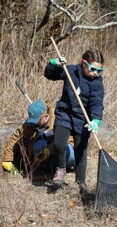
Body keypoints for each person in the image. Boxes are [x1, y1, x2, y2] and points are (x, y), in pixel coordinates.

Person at [44, 49, 105, 187]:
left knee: (80, 150)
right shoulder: (70, 70)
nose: (96, 73)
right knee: (59, 143)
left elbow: (97, 102)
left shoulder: (97, 83)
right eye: (93, 69)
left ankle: (80, 183)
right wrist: (53, 64)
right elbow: (49, 75)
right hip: (65, 113)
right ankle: (60, 169)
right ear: (84, 63)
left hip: (83, 118)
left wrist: (96, 119)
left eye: (99, 71)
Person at [2, 100, 75, 175]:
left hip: (61, 145)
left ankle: (65, 166)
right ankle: (45, 168)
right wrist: (7, 159)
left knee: (70, 154)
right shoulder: (32, 122)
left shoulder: (58, 117)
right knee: (38, 145)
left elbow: (66, 139)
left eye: (37, 120)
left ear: (46, 117)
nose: (35, 123)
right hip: (43, 148)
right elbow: (15, 137)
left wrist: (49, 150)